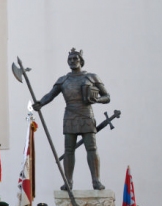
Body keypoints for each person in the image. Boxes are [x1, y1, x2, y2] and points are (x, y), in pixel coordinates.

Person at [32, 48, 110, 190]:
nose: (72, 61)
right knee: (69, 150)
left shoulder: (92, 77)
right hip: (70, 116)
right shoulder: (63, 80)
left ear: (81, 61)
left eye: (75, 58)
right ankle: (68, 182)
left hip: (86, 114)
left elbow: (107, 97)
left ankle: (96, 180)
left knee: (91, 148)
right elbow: (50, 95)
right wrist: (40, 103)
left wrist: (96, 99)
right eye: (70, 59)